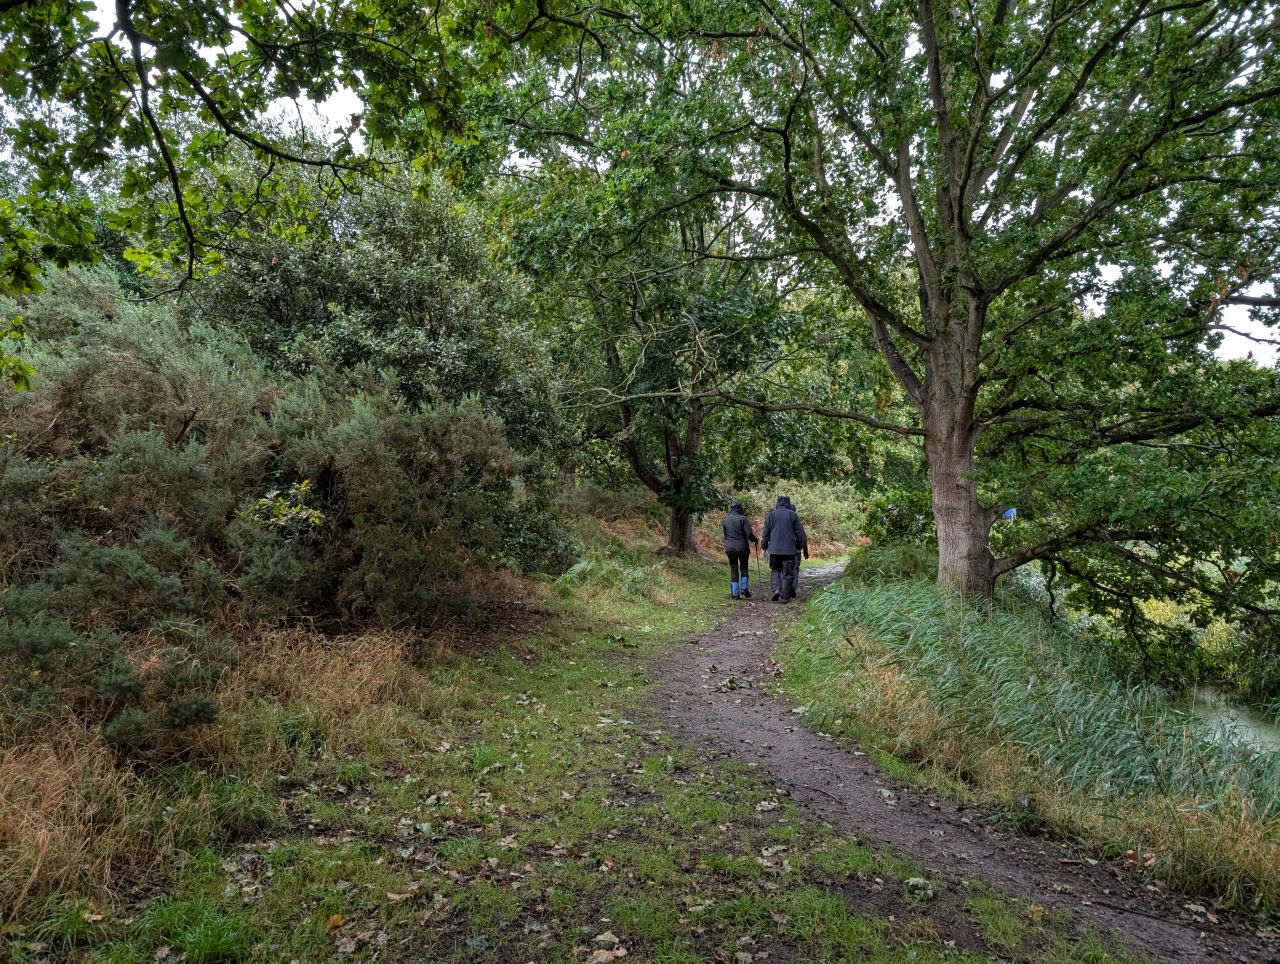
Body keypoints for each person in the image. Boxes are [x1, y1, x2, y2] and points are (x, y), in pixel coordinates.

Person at [761, 495, 808, 603]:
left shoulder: (771, 515)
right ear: (788, 503)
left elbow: (765, 533)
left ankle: (777, 589)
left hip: (774, 550)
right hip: (789, 550)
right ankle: (785, 596)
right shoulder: (793, 515)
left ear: (777, 503)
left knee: (775, 570)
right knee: (788, 573)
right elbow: (799, 533)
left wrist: (764, 546)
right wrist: (798, 546)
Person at [721, 501, 758, 599]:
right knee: (744, 567)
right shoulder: (743, 519)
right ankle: (744, 588)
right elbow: (749, 534)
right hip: (742, 547)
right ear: (739, 509)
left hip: (730, 547)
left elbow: (725, 535)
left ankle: (735, 593)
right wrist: (755, 539)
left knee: (734, 569)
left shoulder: (725, 520)